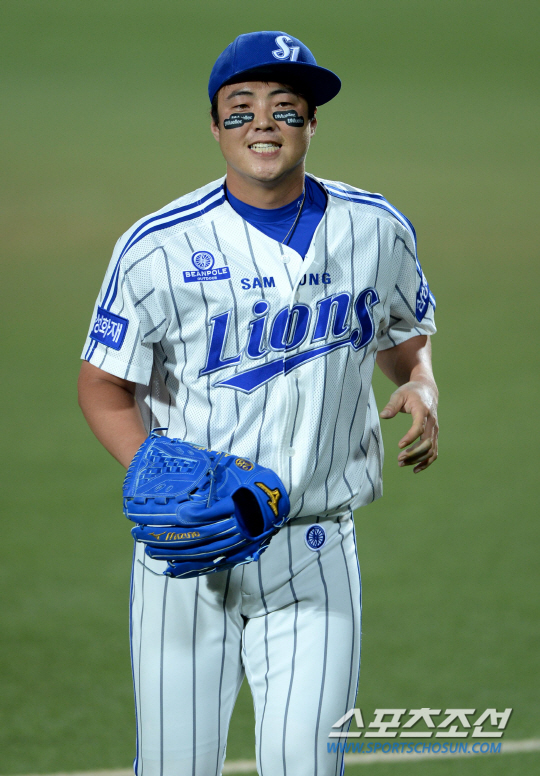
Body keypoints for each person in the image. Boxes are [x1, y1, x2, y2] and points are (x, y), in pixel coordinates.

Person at [78, 30, 438, 776]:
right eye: (241, 108)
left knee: (305, 765)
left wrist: (420, 379)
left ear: (312, 123)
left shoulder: (376, 230)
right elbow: (103, 383)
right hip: (186, 557)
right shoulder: (157, 248)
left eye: (286, 107)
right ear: (215, 126)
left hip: (315, 553)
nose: (264, 123)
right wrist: (158, 472)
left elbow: (402, 329)